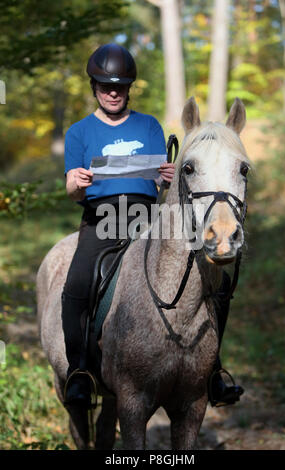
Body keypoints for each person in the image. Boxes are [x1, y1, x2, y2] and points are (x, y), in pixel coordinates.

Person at [62, 43, 243, 408]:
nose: (112, 92)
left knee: (213, 283)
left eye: (120, 86)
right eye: (104, 85)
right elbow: (70, 189)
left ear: (129, 88)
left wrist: (167, 176)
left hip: (149, 217)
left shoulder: (149, 125)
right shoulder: (78, 132)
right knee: (78, 284)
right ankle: (80, 371)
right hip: (101, 219)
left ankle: (212, 370)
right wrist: (77, 182)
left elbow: (166, 182)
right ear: (94, 87)